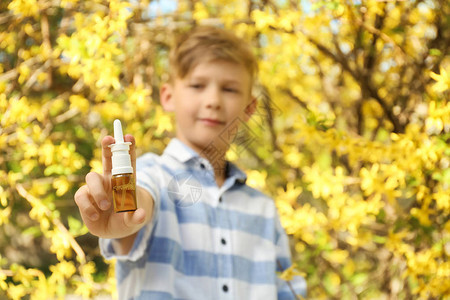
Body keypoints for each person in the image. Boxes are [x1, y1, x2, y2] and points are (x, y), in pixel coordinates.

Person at [74, 25, 306, 300]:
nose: (213, 101)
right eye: (197, 85)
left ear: (250, 108)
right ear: (168, 96)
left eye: (230, 89)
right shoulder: (152, 176)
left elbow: (287, 291)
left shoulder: (264, 210)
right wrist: (126, 213)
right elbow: (141, 202)